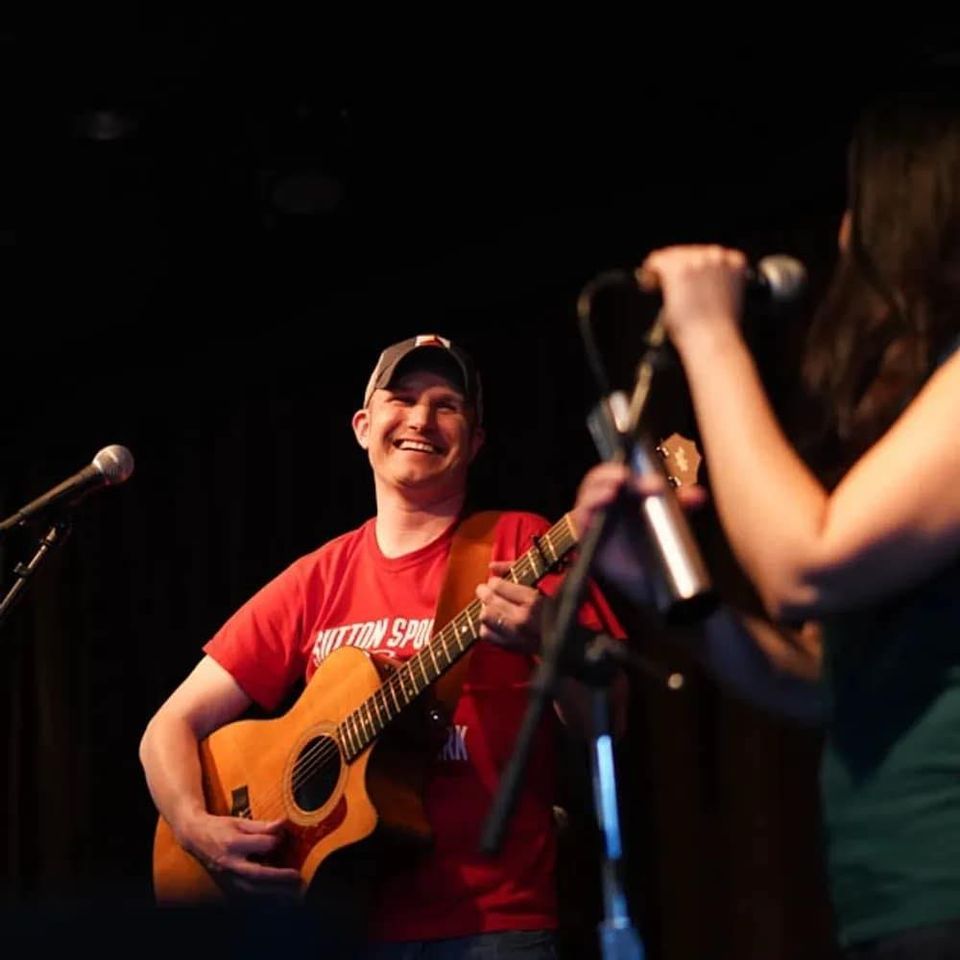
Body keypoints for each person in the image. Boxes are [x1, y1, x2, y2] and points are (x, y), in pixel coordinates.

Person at [574, 89, 960, 958]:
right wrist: (678, 597)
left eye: (861, 207)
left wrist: (710, 335)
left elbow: (801, 565)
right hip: (892, 899)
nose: (845, 237)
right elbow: (815, 676)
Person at [139, 333, 626, 959]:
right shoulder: (318, 576)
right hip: (336, 928)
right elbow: (167, 728)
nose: (422, 418)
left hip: (491, 925)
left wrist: (553, 644)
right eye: (403, 398)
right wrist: (197, 828)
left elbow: (608, 722)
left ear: (475, 442)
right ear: (364, 426)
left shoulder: (523, 545)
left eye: (448, 405)